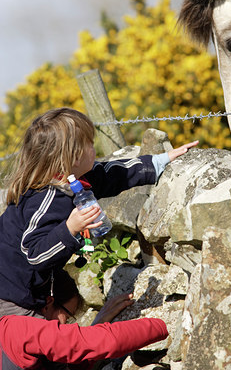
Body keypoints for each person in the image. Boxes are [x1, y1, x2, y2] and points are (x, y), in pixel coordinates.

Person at [0, 107, 199, 317]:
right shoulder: (46, 199)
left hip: (30, 281)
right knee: (30, 344)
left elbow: (116, 173)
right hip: (12, 294)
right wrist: (70, 228)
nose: (94, 148)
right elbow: (36, 254)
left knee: (68, 299)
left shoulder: (73, 178)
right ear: (74, 156)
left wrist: (161, 161)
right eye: (90, 143)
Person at [0, 269, 169, 369]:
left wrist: (96, 326)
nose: (65, 323)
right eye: (66, 315)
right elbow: (102, 342)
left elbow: (70, 356)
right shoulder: (18, 330)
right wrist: (165, 324)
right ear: (48, 303)